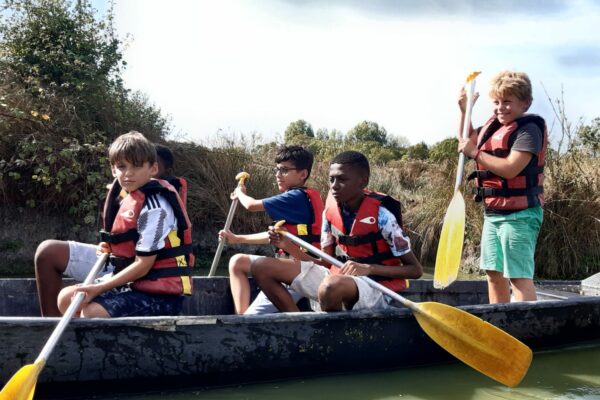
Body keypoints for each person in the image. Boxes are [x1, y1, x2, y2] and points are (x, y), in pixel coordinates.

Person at [36, 133, 193, 317]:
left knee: (91, 312)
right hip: (132, 284)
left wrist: (99, 288)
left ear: (153, 168)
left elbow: (144, 264)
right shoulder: (128, 196)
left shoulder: (155, 207)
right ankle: (88, 342)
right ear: (113, 170)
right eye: (121, 167)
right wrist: (112, 248)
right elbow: (128, 241)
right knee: (66, 299)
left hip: (160, 296)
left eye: (136, 166)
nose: (128, 173)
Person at [250, 151, 423, 312]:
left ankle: (331, 334)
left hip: (375, 287)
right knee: (261, 266)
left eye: (342, 179)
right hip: (336, 278)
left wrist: (368, 268)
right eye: (331, 179)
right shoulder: (330, 214)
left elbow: (415, 270)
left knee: (330, 287)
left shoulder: (383, 217)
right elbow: (325, 263)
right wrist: (287, 246)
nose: (334, 186)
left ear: (362, 181)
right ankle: (299, 324)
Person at [457, 71, 547, 304]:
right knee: (493, 274)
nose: (500, 108)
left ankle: (527, 328)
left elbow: (510, 168)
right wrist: (464, 111)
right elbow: (465, 142)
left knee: (518, 277)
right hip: (493, 214)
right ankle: (500, 325)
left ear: (525, 103)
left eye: (507, 102)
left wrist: (475, 153)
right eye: (496, 102)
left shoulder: (529, 130)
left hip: (520, 216)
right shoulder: (492, 126)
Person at [219, 145, 323, 315]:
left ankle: (256, 320)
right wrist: (237, 238)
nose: (278, 174)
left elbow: (251, 205)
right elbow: (274, 236)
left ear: (302, 174)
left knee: (253, 317)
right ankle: (240, 317)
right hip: (287, 265)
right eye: (277, 169)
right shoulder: (294, 199)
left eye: (284, 170)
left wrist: (240, 192)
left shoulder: (294, 198)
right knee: (237, 261)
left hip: (300, 271)